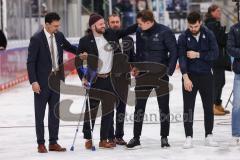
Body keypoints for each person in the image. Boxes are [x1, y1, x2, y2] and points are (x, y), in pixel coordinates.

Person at [76, 13, 138, 149]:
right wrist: (83, 78)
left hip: (109, 79)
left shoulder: (110, 34)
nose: (104, 25)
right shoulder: (85, 41)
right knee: (91, 110)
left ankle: (103, 139)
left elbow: (126, 31)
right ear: (93, 26)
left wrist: (139, 21)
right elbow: (78, 61)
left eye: (104, 23)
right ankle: (88, 137)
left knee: (108, 111)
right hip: (94, 80)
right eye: (101, 24)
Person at [126, 10, 178, 149]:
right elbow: (139, 53)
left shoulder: (165, 32)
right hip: (143, 75)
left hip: (160, 76)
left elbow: (174, 52)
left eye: (141, 23)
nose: (138, 25)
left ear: (149, 22)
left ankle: (164, 137)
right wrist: (136, 67)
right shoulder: (139, 31)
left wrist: (169, 70)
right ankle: (136, 137)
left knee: (164, 107)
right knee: (139, 108)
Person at [27, 12, 77, 153]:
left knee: (54, 113)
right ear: (47, 24)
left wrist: (82, 51)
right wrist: (33, 82)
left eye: (58, 25)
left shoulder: (59, 36)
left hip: (56, 81)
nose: (57, 28)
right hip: (42, 83)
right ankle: (41, 143)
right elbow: (31, 62)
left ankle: (53, 142)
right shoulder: (36, 39)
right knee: (40, 114)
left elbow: (70, 47)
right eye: (55, 26)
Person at [178, 11, 219, 149]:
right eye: (190, 26)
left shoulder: (209, 34)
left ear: (200, 22)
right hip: (190, 77)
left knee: (208, 107)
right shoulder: (183, 36)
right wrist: (185, 77)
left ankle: (209, 135)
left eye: (195, 26)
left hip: (206, 76)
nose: (193, 29)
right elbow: (182, 58)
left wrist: (198, 54)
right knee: (188, 108)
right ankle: (188, 136)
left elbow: (215, 53)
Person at [107, 13, 135, 146]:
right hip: (109, 77)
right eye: (112, 22)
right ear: (108, 24)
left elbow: (132, 57)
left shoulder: (128, 39)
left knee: (121, 109)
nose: (115, 24)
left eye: (117, 21)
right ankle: (110, 137)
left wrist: (135, 67)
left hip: (124, 79)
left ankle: (119, 136)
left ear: (120, 23)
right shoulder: (105, 39)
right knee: (109, 108)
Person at [205, 4, 230, 115]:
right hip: (216, 57)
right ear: (212, 12)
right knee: (217, 82)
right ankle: (213, 106)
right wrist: (229, 35)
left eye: (220, 11)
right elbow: (220, 39)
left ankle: (217, 104)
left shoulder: (214, 24)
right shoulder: (211, 24)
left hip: (219, 57)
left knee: (221, 81)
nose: (219, 13)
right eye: (217, 11)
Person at [227, 21, 240, 146]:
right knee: (237, 106)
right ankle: (236, 134)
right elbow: (230, 49)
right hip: (239, 74)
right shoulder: (234, 29)